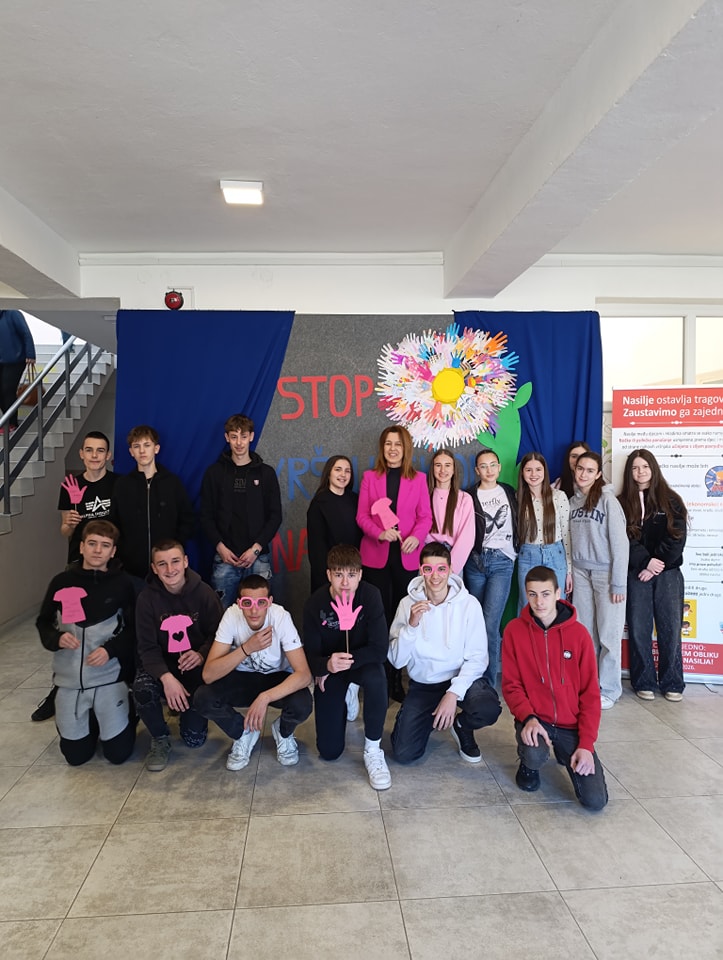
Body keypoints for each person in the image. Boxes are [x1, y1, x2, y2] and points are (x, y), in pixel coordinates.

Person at [502, 566, 608, 811]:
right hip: (536, 719)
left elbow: (590, 695)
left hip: (571, 726)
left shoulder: (579, 635)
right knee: (535, 753)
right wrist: (528, 718)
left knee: (595, 801)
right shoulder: (514, 631)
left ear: (558, 594)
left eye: (546, 594)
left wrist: (586, 744)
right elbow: (511, 685)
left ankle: (564, 751)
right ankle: (529, 764)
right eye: (532, 594)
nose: (539, 602)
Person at [32, 430, 119, 723]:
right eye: (89, 450)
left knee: (107, 629)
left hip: (110, 567)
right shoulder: (71, 485)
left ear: (108, 456)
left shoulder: (117, 484)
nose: (94, 455)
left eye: (100, 450)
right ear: (81, 454)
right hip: (77, 566)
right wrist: (69, 523)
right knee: (72, 631)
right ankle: (59, 690)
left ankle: (111, 684)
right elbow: (65, 531)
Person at [388, 543, 501, 764]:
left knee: (487, 708)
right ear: (421, 571)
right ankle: (428, 718)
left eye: (441, 569)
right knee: (404, 754)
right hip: (424, 683)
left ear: (450, 570)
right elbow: (396, 660)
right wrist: (411, 626)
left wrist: (453, 694)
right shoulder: (407, 604)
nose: (435, 576)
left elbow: (478, 658)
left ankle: (462, 726)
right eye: (428, 569)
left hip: (460, 678)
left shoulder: (468, 604)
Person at [35, 521, 136, 766]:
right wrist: (56, 638)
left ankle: (126, 713)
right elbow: (43, 621)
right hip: (70, 682)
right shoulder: (61, 581)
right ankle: (90, 721)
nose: (97, 550)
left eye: (105, 545)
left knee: (117, 755)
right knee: (76, 757)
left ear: (113, 551)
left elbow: (134, 629)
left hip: (109, 678)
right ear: (81, 547)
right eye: (92, 543)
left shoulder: (124, 584)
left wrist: (110, 650)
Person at [194, 575, 313, 770]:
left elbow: (304, 675)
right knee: (203, 698)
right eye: (247, 603)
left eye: (261, 602)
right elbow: (208, 675)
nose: (254, 610)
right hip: (243, 678)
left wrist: (265, 697)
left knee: (303, 704)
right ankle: (243, 733)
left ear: (269, 602)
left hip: (276, 678)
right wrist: (247, 648)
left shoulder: (280, 617)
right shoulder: (231, 615)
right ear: (239, 603)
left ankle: (283, 732)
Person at [303, 544, 391, 790]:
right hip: (332, 668)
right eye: (338, 574)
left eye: (351, 575)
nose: (345, 582)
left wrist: (345, 660)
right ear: (328, 574)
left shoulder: (370, 595)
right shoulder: (315, 603)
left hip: (362, 662)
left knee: (377, 678)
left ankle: (373, 749)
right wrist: (324, 666)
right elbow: (309, 655)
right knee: (329, 751)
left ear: (360, 575)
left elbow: (380, 649)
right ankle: (347, 693)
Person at [357, 425, 432, 701]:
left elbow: (425, 517)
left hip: (406, 558)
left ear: (406, 448)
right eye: (388, 444)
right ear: (382, 447)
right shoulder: (370, 477)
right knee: (379, 618)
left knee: (403, 619)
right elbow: (362, 516)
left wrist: (416, 537)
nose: (392, 449)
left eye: (397, 444)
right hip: (376, 558)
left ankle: (397, 678)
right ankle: (380, 677)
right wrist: (380, 533)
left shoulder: (419, 479)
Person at [133, 540, 223, 771]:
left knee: (194, 740)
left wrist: (201, 654)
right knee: (142, 689)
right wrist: (166, 678)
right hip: (161, 667)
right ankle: (159, 737)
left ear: (185, 562)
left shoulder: (205, 594)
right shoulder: (146, 599)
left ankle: (184, 709)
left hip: (194, 667)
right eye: (162, 564)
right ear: (154, 568)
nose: (170, 569)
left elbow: (219, 636)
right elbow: (146, 648)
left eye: (175, 561)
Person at [618, 449, 687, 701]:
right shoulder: (621, 502)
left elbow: (677, 536)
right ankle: (644, 681)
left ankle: (672, 683)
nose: (640, 472)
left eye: (645, 467)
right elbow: (623, 538)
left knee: (671, 629)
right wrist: (645, 562)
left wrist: (657, 564)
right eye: (635, 468)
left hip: (668, 574)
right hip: (637, 573)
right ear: (630, 472)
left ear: (653, 469)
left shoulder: (671, 500)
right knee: (639, 628)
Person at [200, 413, 282, 608]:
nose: (239, 442)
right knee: (222, 614)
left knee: (260, 614)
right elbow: (205, 515)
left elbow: (275, 516)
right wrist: (221, 548)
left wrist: (256, 549)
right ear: (227, 438)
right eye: (234, 436)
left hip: (258, 557)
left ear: (251, 437)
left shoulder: (266, 473)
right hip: (225, 558)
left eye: (243, 436)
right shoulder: (214, 473)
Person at [568, 451, 628, 710]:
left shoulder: (607, 501)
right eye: (580, 468)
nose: (584, 474)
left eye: (590, 470)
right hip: (581, 574)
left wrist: (619, 582)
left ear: (598, 474)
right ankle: (589, 685)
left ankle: (610, 689)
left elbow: (620, 544)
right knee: (585, 634)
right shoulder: (572, 502)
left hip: (606, 575)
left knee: (608, 634)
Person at [463, 447, 518, 687]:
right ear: (477, 470)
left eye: (492, 465)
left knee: (490, 623)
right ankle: (473, 677)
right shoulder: (469, 495)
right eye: (483, 466)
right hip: (476, 562)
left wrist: (512, 552)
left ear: (499, 467)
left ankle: (488, 684)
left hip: (502, 562)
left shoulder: (509, 491)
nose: (489, 470)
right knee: (475, 623)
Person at [111, 425, 195, 580]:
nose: (142, 451)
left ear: (156, 449)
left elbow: (187, 519)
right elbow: (114, 522)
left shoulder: (172, 483)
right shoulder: (122, 485)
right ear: (131, 452)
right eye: (137, 446)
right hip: (131, 569)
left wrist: (174, 547)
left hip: (167, 569)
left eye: (147, 445)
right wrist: (124, 552)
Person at [516, 451, 572, 604]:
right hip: (528, 556)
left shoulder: (559, 496)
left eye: (538, 469)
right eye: (528, 470)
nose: (533, 474)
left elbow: (567, 534)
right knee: (528, 605)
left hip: (556, 555)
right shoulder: (517, 498)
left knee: (556, 605)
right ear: (522, 473)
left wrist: (569, 571)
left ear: (545, 471)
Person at [306, 455, 360, 592]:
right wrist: (329, 575)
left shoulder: (355, 500)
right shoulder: (319, 503)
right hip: (329, 572)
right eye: (338, 469)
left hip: (353, 569)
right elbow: (316, 547)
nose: (343, 474)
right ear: (329, 473)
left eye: (347, 471)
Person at [425, 448, 475, 575]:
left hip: (453, 557)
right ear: (432, 469)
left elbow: (467, 537)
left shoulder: (464, 499)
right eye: (438, 465)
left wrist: (451, 566)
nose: (443, 470)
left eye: (447, 465)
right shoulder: (423, 496)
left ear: (453, 470)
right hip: (428, 555)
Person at [0, 308, 35, 432]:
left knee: (7, 390)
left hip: (15, 360)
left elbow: (25, 333)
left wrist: (30, 354)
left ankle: (12, 423)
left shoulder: (12, 313)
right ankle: (6, 420)